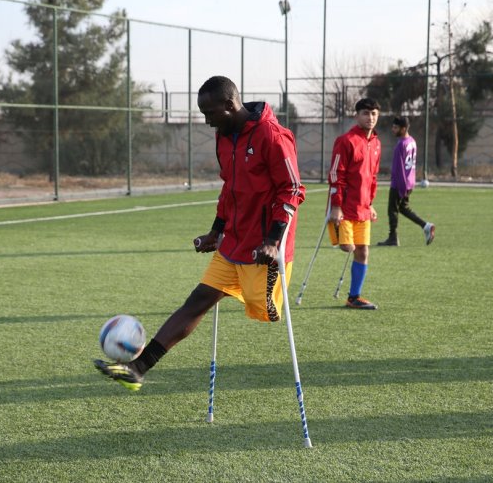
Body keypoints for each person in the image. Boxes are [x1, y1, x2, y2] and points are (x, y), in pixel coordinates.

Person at [94, 75, 306, 391]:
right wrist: (216, 230)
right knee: (198, 300)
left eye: (210, 113)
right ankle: (137, 368)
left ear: (230, 105)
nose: (207, 122)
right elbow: (230, 188)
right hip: (233, 240)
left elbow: (291, 189)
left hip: (264, 245)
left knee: (264, 310)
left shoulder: (273, 136)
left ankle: (273, 279)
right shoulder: (224, 136)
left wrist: (274, 241)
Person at [327, 98, 381, 310]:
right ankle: (351, 294)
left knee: (363, 251)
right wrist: (336, 205)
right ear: (356, 115)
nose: (370, 118)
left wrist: (371, 203)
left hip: (363, 209)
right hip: (344, 208)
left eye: (374, 114)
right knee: (347, 247)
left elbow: (373, 177)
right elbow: (336, 174)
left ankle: (354, 297)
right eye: (366, 113)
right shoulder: (346, 141)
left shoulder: (376, 143)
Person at [377, 116, 435, 246]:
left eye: (396, 127)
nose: (393, 129)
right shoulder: (412, 141)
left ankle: (393, 238)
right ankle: (426, 226)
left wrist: (401, 188)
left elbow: (399, 169)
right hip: (409, 182)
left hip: (399, 183)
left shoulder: (400, 145)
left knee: (392, 209)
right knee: (403, 208)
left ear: (403, 129)